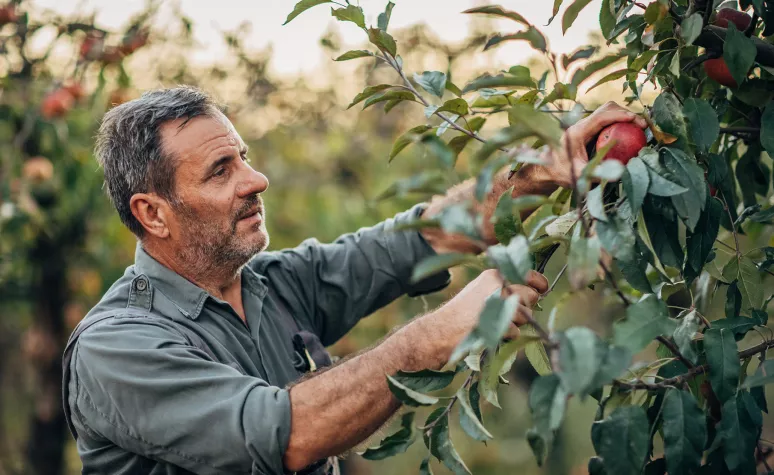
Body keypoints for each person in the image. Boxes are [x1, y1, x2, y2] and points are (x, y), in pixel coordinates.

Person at [62, 86, 646, 475]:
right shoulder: (116, 347)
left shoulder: (269, 284)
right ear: (153, 213)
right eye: (221, 171)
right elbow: (285, 435)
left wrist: (541, 171)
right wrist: (434, 336)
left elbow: (423, 237)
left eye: (243, 156)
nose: (257, 180)